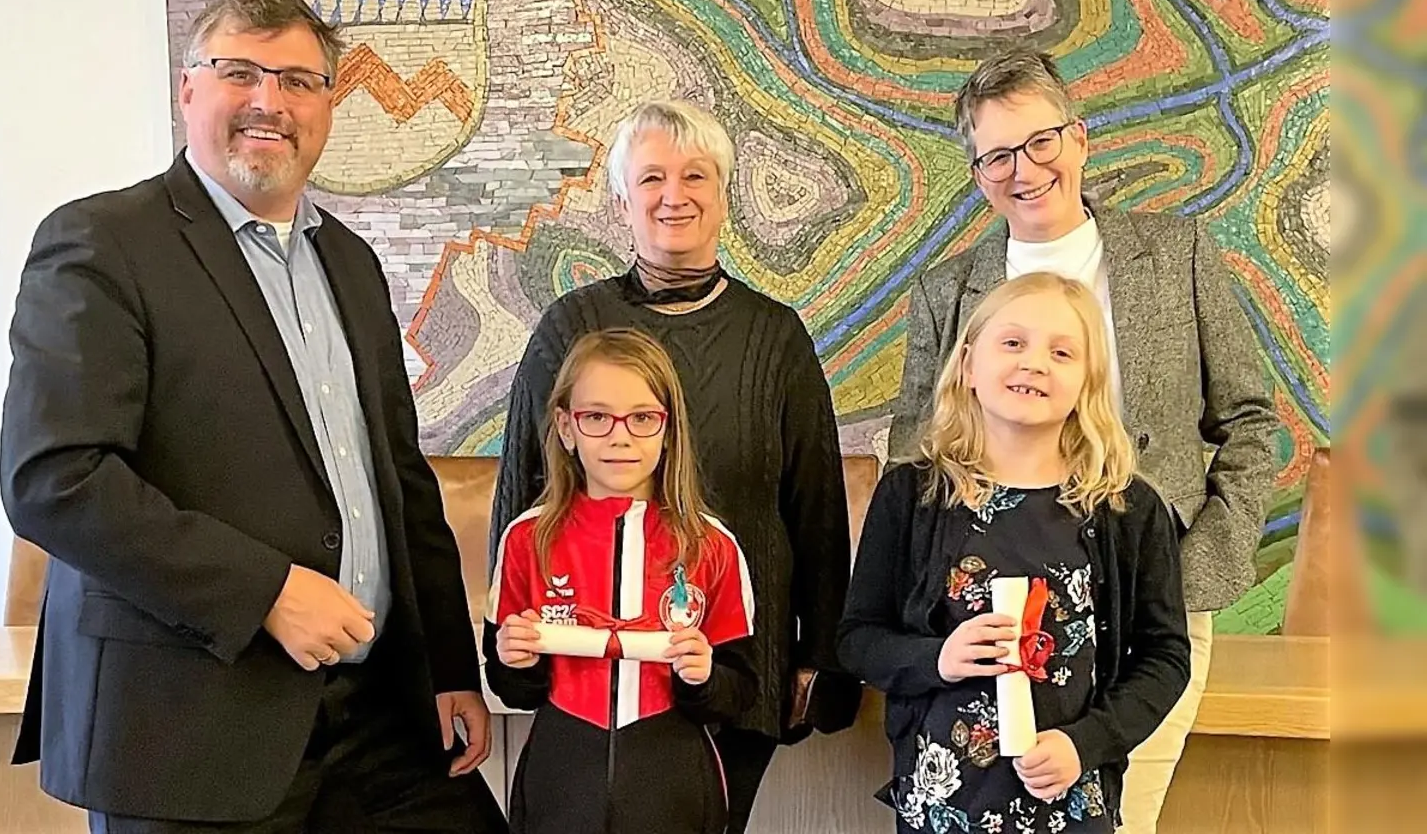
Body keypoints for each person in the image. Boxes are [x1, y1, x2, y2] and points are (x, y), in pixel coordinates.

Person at [0, 0, 505, 833]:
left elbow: (399, 481)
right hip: (191, 729)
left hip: (379, 719)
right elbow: (56, 479)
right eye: (241, 72)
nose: (270, 101)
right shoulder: (102, 243)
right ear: (188, 88)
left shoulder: (351, 264)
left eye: (298, 81)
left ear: (328, 106)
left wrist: (449, 666)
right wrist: (265, 590)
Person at [885, 49, 1278, 833]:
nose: (1024, 170)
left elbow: (1251, 421)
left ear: (1079, 137)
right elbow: (915, 450)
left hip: (1149, 610)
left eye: (1041, 141)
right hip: (986, 627)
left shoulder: (1177, 253)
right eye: (998, 155)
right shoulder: (944, 292)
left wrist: (1194, 566)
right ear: (978, 174)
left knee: (1117, 819)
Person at [490, 100, 859, 831]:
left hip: (736, 667)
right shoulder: (570, 326)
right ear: (621, 201)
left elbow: (816, 508)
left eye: (695, 176)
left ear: (723, 194)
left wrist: (822, 659)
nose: (674, 195)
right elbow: (521, 492)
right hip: (586, 679)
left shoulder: (775, 335)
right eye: (652, 177)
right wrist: (508, 640)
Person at [844, 272, 1191, 833]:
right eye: (1012, 342)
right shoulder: (912, 494)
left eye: (1061, 353)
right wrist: (938, 658)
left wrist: (1086, 743)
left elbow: (1164, 657)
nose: (1034, 363)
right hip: (945, 804)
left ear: (1089, 382)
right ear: (967, 364)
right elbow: (859, 639)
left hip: (1071, 800)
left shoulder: (1126, 507)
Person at [487, 328, 758, 833]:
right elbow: (512, 689)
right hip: (559, 775)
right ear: (566, 427)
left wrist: (702, 676)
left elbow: (740, 691)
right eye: (596, 417)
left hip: (673, 777)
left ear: (668, 429)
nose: (620, 437)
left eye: (642, 418)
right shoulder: (526, 540)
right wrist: (515, 661)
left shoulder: (712, 545)